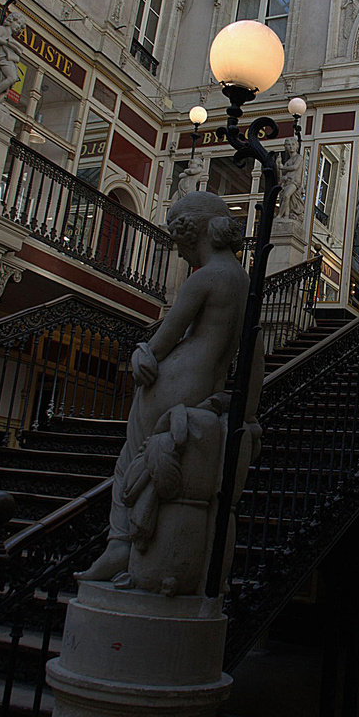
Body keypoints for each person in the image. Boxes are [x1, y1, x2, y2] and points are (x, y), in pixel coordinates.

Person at [78, 192, 262, 582]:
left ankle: (120, 545)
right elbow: (255, 359)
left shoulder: (204, 279)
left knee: (130, 460)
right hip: (204, 387)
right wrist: (247, 412)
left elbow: (164, 339)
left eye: (182, 244)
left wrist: (141, 352)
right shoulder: (243, 282)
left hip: (171, 385)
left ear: (196, 234)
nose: (181, 255)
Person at [276, 138, 304, 219]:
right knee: (286, 199)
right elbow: (281, 175)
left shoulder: (299, 157)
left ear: (297, 146)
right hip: (287, 182)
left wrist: (282, 168)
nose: (291, 147)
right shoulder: (288, 161)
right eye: (289, 145)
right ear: (286, 147)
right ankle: (286, 215)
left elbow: (295, 167)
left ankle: (280, 215)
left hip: (294, 182)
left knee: (287, 195)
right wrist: (278, 165)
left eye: (293, 144)